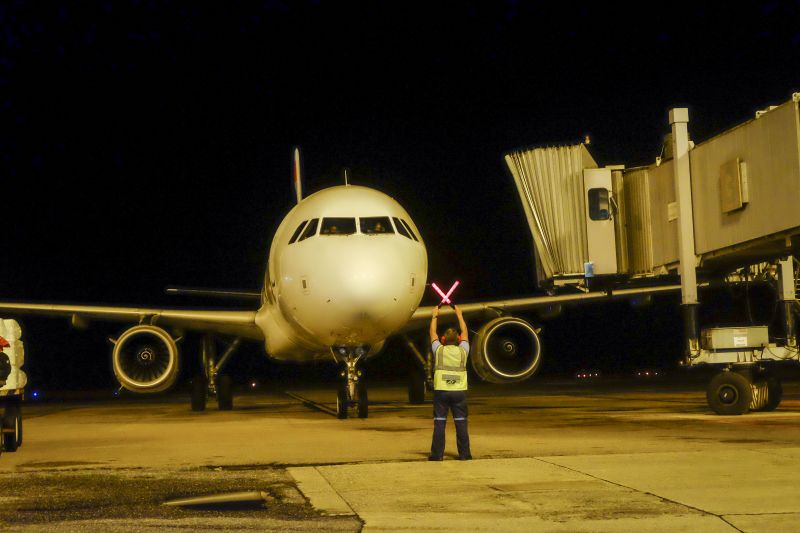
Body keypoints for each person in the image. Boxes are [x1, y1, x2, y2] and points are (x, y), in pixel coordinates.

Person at [428, 304, 472, 461]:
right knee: (461, 424)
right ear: (459, 340)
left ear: (443, 339)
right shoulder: (463, 350)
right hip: (459, 393)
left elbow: (432, 332)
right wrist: (459, 315)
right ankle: (465, 454)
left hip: (441, 392)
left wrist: (435, 315)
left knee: (440, 423)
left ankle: (437, 455)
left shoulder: (438, 350)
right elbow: (466, 332)